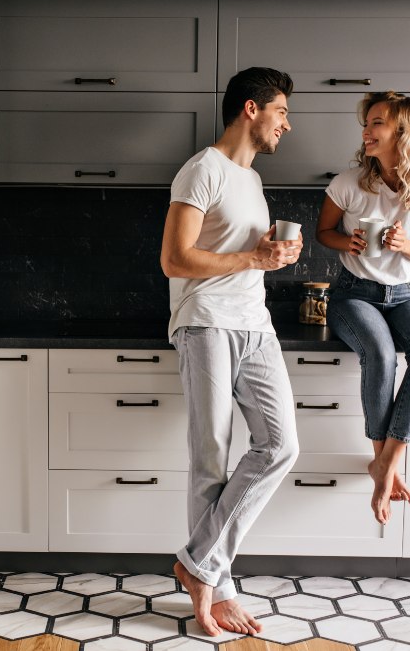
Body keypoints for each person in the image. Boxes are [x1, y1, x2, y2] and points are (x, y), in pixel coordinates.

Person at [160, 67, 301, 638]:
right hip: (206, 325)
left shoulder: (255, 182)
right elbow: (175, 259)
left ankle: (197, 567)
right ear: (252, 108)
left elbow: (241, 251)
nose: (287, 125)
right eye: (282, 112)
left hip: (254, 324)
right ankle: (216, 592)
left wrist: (270, 255)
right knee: (210, 460)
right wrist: (253, 260)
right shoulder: (202, 170)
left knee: (280, 445)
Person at [315, 91, 410, 526]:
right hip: (353, 293)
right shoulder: (349, 181)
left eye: (376, 123)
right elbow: (324, 232)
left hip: (407, 294)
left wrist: (404, 244)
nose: (366, 131)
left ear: (402, 132)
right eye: (367, 122)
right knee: (381, 355)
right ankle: (382, 461)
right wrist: (348, 240)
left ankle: (388, 460)